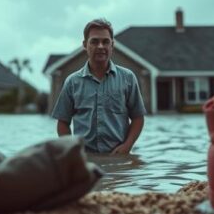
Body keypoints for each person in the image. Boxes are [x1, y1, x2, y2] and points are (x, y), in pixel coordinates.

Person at [52, 18, 146, 154]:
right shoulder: (72, 82)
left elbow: (138, 117)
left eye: (105, 41)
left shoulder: (128, 78)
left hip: (119, 159)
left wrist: (127, 146)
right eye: (95, 41)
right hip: (86, 159)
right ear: (85, 45)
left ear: (112, 45)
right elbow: (63, 123)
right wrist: (73, 151)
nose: (100, 46)